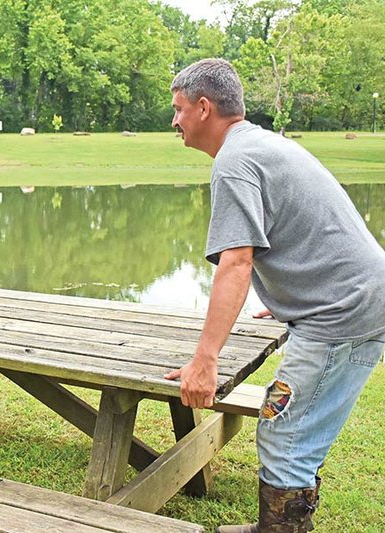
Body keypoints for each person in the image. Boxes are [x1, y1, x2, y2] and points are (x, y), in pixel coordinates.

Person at [164, 59, 385, 532]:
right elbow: (308, 227)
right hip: (359, 299)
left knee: (285, 432)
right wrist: (293, 293)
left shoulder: (235, 162)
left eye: (179, 109)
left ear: (204, 108)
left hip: (341, 312)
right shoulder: (261, 144)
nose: (175, 121)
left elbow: (237, 262)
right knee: (296, 431)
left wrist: (205, 360)